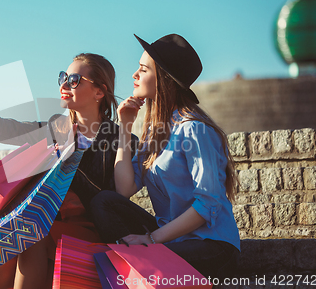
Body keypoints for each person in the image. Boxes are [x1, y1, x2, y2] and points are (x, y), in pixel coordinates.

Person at [0, 53, 138, 289]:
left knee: (27, 236)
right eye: (63, 77)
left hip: (90, 231)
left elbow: (120, 195)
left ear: (99, 92)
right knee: (15, 249)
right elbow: (0, 127)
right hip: (43, 228)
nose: (64, 85)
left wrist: (117, 133)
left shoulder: (121, 137)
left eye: (74, 80)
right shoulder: (57, 129)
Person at [90, 34, 240, 278]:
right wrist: (125, 126)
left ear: (163, 79)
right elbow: (124, 189)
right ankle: (133, 265)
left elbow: (208, 203)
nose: (134, 75)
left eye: (143, 69)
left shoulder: (194, 129)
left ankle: (133, 265)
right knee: (104, 201)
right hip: (169, 241)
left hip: (211, 247)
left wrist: (151, 239)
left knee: (139, 258)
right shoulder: (155, 134)